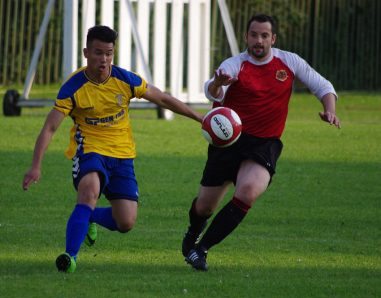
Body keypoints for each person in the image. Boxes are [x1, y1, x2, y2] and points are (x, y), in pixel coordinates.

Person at [22, 25, 203, 273]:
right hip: (90, 150)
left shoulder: (124, 80)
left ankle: (89, 217)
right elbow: (50, 128)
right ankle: (70, 257)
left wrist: (200, 118)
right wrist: (35, 166)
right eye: (98, 53)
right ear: (86, 52)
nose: (104, 59)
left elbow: (162, 98)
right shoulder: (74, 87)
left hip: (122, 155)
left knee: (126, 221)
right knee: (89, 190)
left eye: (109, 53)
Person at [182, 14, 341, 271]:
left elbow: (323, 86)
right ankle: (192, 234)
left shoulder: (288, 61)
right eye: (254, 35)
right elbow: (213, 90)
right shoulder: (235, 64)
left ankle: (201, 249)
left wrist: (330, 109)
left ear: (273, 38)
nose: (259, 40)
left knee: (248, 191)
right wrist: (218, 84)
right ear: (246, 37)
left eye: (264, 35)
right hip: (228, 142)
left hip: (263, 144)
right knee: (204, 206)